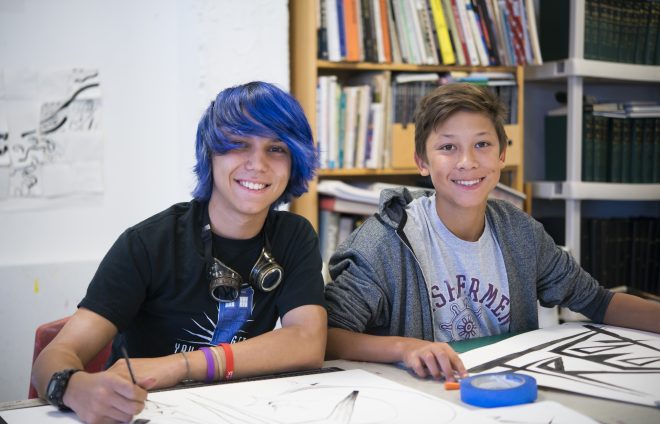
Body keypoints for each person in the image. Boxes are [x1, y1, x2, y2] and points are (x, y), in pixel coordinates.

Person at [32, 81, 327, 423]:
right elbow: (53, 358)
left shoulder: (295, 236)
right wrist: (74, 388)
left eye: (276, 149)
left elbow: (308, 342)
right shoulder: (147, 243)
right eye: (239, 144)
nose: (257, 164)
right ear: (210, 154)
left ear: (295, 161)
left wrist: (181, 365)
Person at [324, 83, 660, 382]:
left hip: (503, 394)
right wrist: (405, 348)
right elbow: (327, 336)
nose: (468, 161)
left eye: (482, 144)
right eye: (447, 147)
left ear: (502, 155)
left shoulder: (521, 232)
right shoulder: (385, 241)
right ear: (422, 161)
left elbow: (598, 300)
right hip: (422, 401)